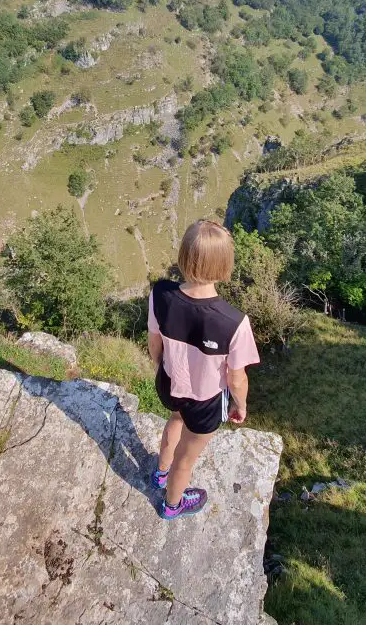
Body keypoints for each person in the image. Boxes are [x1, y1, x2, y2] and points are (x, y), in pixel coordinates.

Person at [147, 219, 260, 520]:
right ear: (225, 264)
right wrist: (241, 405)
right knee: (187, 457)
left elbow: (154, 342)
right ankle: (173, 505)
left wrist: (161, 367)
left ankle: (160, 474)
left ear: (184, 256)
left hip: (170, 383)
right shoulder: (234, 322)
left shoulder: (160, 294)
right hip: (205, 401)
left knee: (174, 418)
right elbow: (236, 377)